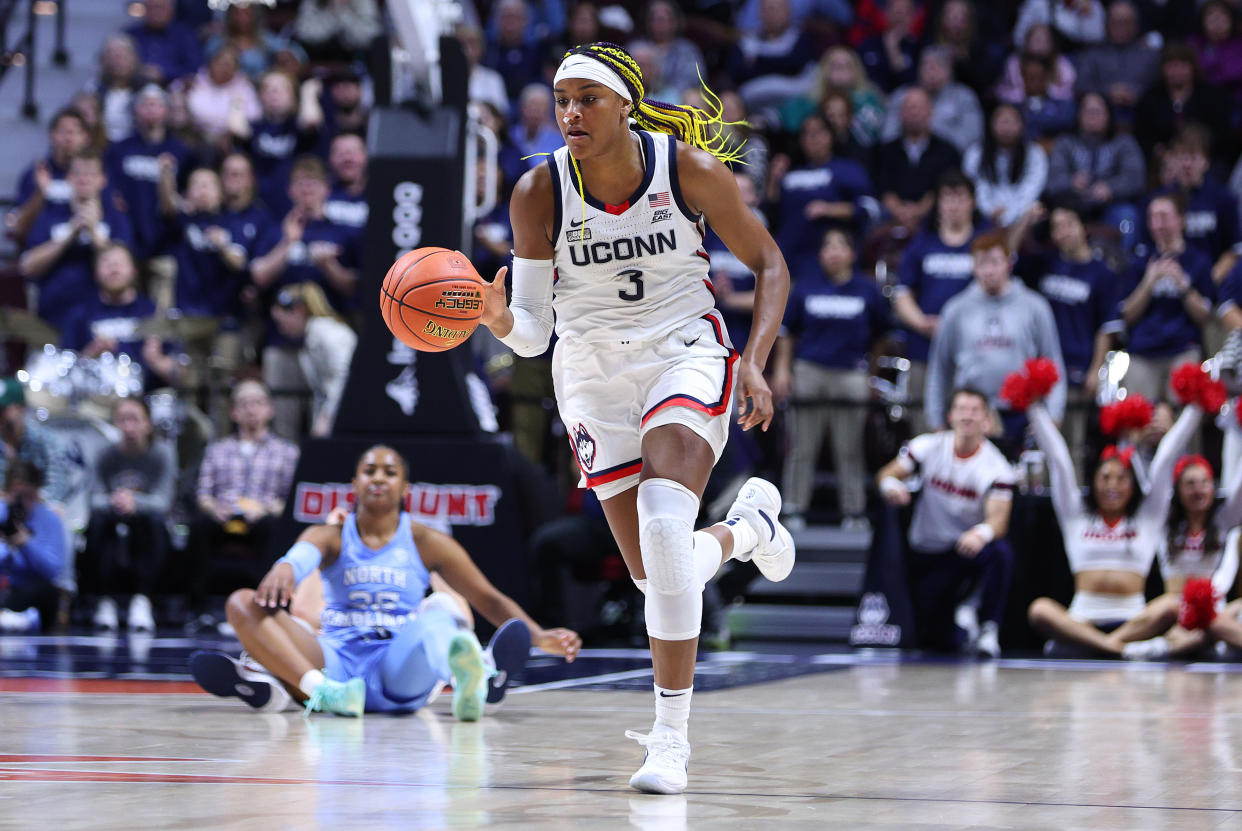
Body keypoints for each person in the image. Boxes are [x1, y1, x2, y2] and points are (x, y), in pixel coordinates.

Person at [478, 43, 796, 794]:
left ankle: (669, 739)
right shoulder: (538, 192)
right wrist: (499, 320)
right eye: (563, 101)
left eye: (588, 98)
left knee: (661, 523)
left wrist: (753, 358)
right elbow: (532, 330)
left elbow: (771, 264)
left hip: (681, 349)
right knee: (660, 574)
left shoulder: (688, 169)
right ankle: (747, 530)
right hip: (590, 376)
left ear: (625, 103)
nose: (571, 114)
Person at [190, 445, 581, 719]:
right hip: (336, 661)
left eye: (389, 472)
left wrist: (538, 634)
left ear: (404, 489)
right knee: (242, 602)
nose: (379, 477)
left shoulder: (428, 541)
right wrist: (285, 568)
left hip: (398, 663)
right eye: (369, 471)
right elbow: (302, 553)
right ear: (355, 484)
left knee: (442, 614)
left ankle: (470, 680)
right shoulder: (332, 534)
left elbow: (488, 598)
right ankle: (320, 691)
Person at [1026, 378, 1205, 656]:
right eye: (1105, 478)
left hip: (1134, 620)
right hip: (1082, 618)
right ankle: (1118, 648)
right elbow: (1059, 460)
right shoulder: (1077, 517)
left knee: (1171, 605)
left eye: (1121, 478)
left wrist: (1196, 405)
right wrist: (1033, 405)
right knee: (1039, 609)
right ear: (1093, 483)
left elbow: (1165, 459)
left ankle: (1103, 644)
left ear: (1132, 485)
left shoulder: (1146, 519)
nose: (1112, 486)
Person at [875, 387, 1015, 656]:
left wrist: (981, 533)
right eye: (962, 409)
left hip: (964, 550)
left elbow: (999, 522)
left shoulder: (997, 467)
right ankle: (960, 620)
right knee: (936, 640)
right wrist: (892, 487)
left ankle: (987, 626)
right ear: (950, 415)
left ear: (987, 420)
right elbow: (886, 475)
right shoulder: (928, 446)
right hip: (926, 552)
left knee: (1000, 552)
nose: (968, 417)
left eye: (975, 411)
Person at [772, 229, 893, 529]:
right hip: (809, 371)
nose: (835, 251)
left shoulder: (866, 289)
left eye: (842, 245)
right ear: (821, 253)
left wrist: (871, 373)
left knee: (850, 447)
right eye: (828, 245)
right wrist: (783, 371)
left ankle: (853, 512)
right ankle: (794, 508)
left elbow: (883, 336)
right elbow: (787, 333)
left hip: (851, 373)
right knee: (802, 445)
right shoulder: (805, 287)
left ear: (852, 253)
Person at [925, 231, 1066, 451]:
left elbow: (1053, 363)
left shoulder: (1034, 306)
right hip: (971, 413)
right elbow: (939, 369)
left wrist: (1054, 415)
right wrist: (936, 422)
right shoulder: (955, 309)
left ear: (1009, 263)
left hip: (1022, 414)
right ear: (973, 267)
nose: (989, 271)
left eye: (995, 262)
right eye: (982, 263)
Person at [189, 380, 299, 619]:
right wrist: (214, 508)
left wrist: (266, 510)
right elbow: (203, 494)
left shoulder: (286, 452)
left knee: (273, 529)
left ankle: (266, 608)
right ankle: (200, 612)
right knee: (198, 527)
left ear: (269, 409)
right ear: (234, 412)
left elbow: (289, 500)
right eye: (244, 404)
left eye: (258, 403)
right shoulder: (217, 450)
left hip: (262, 516)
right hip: (223, 515)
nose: (252, 410)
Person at [1119, 452, 1242, 659]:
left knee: (1231, 612)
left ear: (1214, 487)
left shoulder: (1224, 523)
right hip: (1175, 611)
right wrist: (1130, 444)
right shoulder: (1163, 524)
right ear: (1177, 490)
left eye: (1204, 482)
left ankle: (1161, 649)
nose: (1198, 489)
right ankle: (1190, 643)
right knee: (1168, 609)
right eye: (1190, 483)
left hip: (1213, 611)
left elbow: (1240, 485)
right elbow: (1154, 477)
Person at [890, 171, 980, 434]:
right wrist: (921, 322)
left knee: (968, 425)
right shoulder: (921, 245)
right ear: (939, 204)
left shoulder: (982, 244)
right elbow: (901, 293)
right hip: (924, 348)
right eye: (948, 198)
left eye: (960, 198)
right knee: (923, 426)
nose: (954, 205)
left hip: (972, 351)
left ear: (972, 202)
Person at [79, 397, 175, 632]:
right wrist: (115, 501)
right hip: (114, 514)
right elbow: (93, 498)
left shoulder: (162, 453)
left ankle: (143, 599)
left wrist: (136, 502)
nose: (129, 426)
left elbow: (164, 500)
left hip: (146, 517)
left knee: (154, 521)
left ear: (148, 424)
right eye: (122, 419)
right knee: (97, 521)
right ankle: (104, 600)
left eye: (135, 419)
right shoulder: (104, 454)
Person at [19, 152, 136, 332]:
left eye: (90, 173)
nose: (84, 179)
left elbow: (126, 271)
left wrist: (94, 232)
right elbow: (28, 266)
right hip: (52, 315)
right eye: (78, 173)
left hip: (101, 321)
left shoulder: (117, 219)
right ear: (68, 178)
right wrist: (70, 234)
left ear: (102, 180)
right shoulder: (50, 215)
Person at [1118, 194, 1215, 402]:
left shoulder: (1199, 261)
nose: (1157, 224)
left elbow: (1205, 316)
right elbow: (1126, 315)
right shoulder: (1139, 261)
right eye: (1153, 217)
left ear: (1181, 220)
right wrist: (1148, 283)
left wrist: (1183, 285)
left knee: (1185, 423)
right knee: (1137, 420)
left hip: (1183, 349)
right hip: (1143, 351)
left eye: (1163, 216)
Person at [269, 283, 357, 438]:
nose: (282, 329)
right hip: (334, 414)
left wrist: (326, 417)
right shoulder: (311, 337)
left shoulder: (331, 334)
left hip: (347, 416)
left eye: (281, 322)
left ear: (298, 311)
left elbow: (345, 379)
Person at [0, 460, 65, 633]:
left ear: (37, 492)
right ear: (6, 492)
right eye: (17, 495)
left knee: (47, 592)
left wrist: (26, 544)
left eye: (28, 496)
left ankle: (11, 618)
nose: (22, 502)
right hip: (4, 589)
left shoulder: (50, 520)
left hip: (30, 592)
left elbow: (52, 570)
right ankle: (13, 618)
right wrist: (6, 547)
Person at [962, 103, 1048, 228]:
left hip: (1022, 215)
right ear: (991, 124)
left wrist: (1009, 216)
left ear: (1022, 125)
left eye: (1012, 122)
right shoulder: (975, 153)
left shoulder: (1035, 154)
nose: (1007, 127)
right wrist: (990, 210)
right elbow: (976, 186)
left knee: (1036, 211)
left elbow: (1031, 189)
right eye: (1002, 121)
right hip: (984, 213)